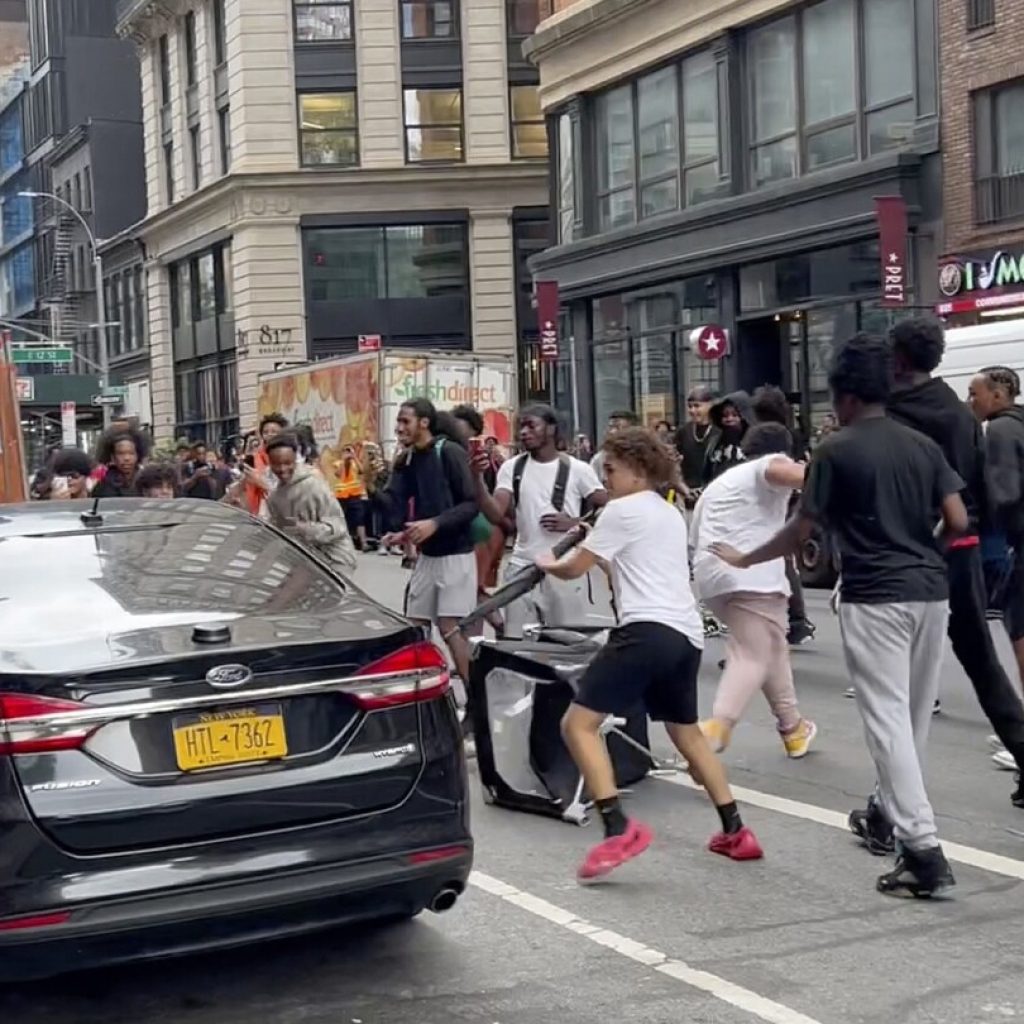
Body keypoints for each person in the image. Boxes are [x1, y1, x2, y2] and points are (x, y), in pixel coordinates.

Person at [713, 333, 966, 898]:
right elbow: (957, 518)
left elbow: (803, 531)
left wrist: (745, 557)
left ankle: (922, 848)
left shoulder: (836, 449)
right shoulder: (921, 445)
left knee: (887, 720)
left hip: (875, 593)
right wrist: (926, 551)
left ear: (844, 395)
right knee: (914, 717)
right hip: (930, 590)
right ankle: (891, 816)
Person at [535, 427, 763, 881]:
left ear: (638, 470)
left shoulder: (620, 510)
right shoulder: (667, 512)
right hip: (685, 635)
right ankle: (735, 830)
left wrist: (547, 563)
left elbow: (572, 568)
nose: (607, 478)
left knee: (577, 725)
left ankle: (617, 826)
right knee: (687, 735)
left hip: (645, 630)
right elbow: (626, 562)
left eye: (612, 470)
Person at [890, 324, 1024, 789]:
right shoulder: (959, 412)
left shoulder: (893, 410)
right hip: (962, 544)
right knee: (981, 660)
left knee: (895, 680)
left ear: (898, 358)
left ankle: (890, 805)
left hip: (913, 551)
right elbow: (983, 487)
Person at [691, 423, 816, 757]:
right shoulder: (769, 465)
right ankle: (718, 726)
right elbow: (793, 473)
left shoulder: (723, 483)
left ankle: (793, 729)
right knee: (751, 654)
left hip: (712, 577)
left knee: (769, 649)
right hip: (751, 575)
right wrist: (825, 471)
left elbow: (695, 534)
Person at [473, 404, 606, 638]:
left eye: (531, 425)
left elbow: (610, 505)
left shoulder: (578, 469)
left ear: (552, 429)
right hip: (522, 566)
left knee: (566, 641)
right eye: (521, 427)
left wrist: (575, 523)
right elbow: (495, 513)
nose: (524, 432)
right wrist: (476, 478)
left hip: (564, 568)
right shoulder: (512, 467)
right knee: (517, 643)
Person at [380, 398, 479, 699]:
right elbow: (394, 510)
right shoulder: (409, 459)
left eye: (405, 421)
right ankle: (427, 699)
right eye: (398, 422)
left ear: (424, 422)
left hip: (456, 555)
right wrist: (377, 481)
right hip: (428, 557)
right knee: (416, 626)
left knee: (450, 627)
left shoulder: (448, 452)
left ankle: (477, 704)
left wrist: (435, 523)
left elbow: (471, 504)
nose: (399, 428)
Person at [750, 386, 816, 647]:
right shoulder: (794, 433)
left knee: (777, 561)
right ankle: (795, 620)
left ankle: (790, 620)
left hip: (776, 500)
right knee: (784, 560)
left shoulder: (769, 436)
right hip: (791, 499)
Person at [265, 433, 357, 575]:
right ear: (270, 463)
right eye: (277, 464)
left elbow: (338, 528)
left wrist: (302, 528)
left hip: (335, 561)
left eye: (287, 463)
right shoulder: (274, 497)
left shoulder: (314, 485)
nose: (282, 469)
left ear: (295, 459)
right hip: (304, 563)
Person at [674, 386, 719, 507]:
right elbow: (673, 462)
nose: (693, 411)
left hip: (714, 493)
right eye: (690, 406)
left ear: (711, 405)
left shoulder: (719, 431)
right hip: (688, 494)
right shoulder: (683, 432)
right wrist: (683, 487)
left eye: (697, 406)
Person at [238, 413, 287, 517]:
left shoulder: (288, 457)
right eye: (266, 432)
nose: (269, 435)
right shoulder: (256, 457)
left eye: (274, 432)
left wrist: (261, 482)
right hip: (259, 511)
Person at [703, 392, 752, 483]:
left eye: (735, 415)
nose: (729, 419)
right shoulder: (715, 443)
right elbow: (707, 473)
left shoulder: (753, 442)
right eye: (725, 415)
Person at [92, 426, 150, 497]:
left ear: (138, 455)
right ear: (112, 457)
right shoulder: (104, 486)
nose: (126, 458)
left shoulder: (146, 481)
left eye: (131, 453)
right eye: (121, 453)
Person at [590, 410, 639, 485]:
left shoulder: (644, 457)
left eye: (618, 427)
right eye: (610, 427)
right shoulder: (600, 459)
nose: (612, 432)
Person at [334, 444, 368, 551]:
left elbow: (362, 470)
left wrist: (354, 457)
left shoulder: (354, 463)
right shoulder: (338, 463)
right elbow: (338, 474)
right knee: (342, 519)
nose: (347, 453)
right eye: (345, 451)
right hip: (342, 495)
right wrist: (344, 461)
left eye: (349, 451)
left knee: (359, 519)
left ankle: (364, 543)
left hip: (354, 495)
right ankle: (342, 543)